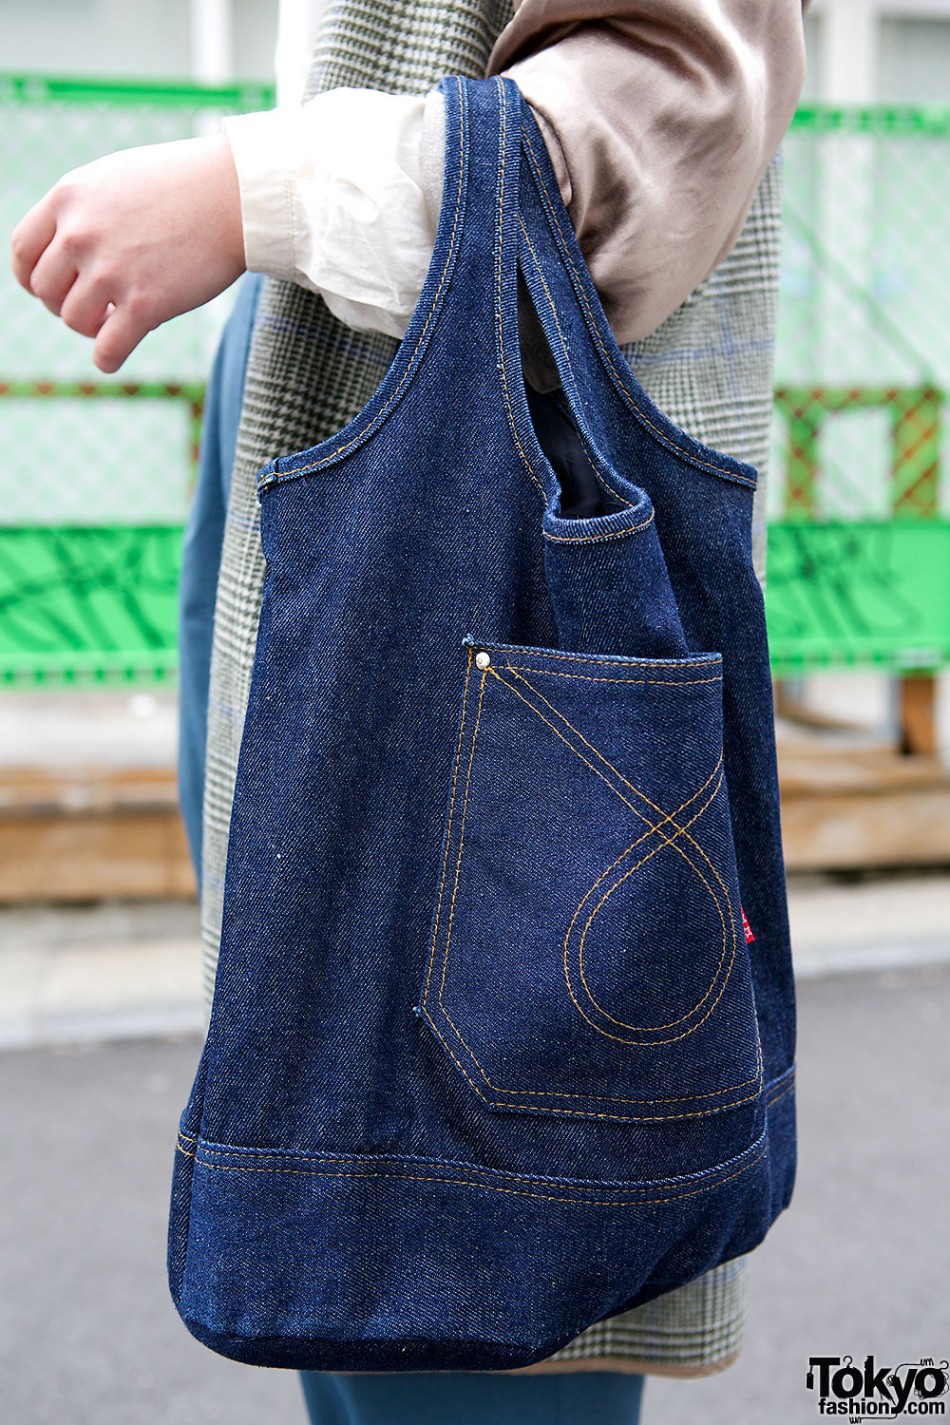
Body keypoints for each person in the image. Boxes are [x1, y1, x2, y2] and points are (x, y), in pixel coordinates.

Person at [10, 3, 805, 1421]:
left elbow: (664, 102)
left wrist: (242, 192)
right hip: (315, 427)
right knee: (345, 1218)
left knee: (475, 1257)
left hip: (479, 502)